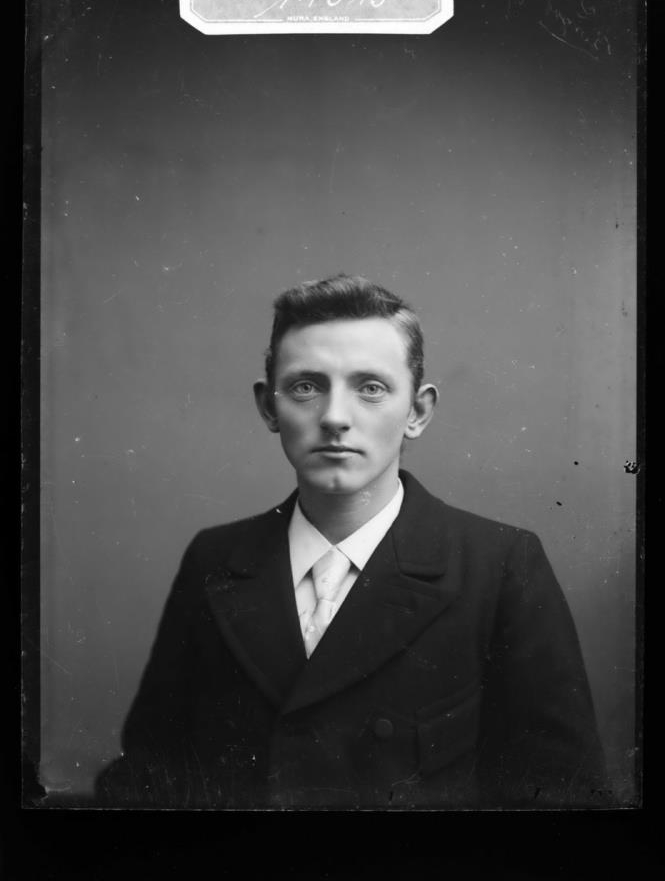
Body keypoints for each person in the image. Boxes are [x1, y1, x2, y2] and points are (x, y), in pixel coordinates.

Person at [95, 274, 608, 809]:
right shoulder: (216, 559)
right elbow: (150, 775)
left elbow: (562, 799)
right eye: (306, 386)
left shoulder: (499, 566)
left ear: (417, 412)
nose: (335, 418)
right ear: (268, 407)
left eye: (371, 388)